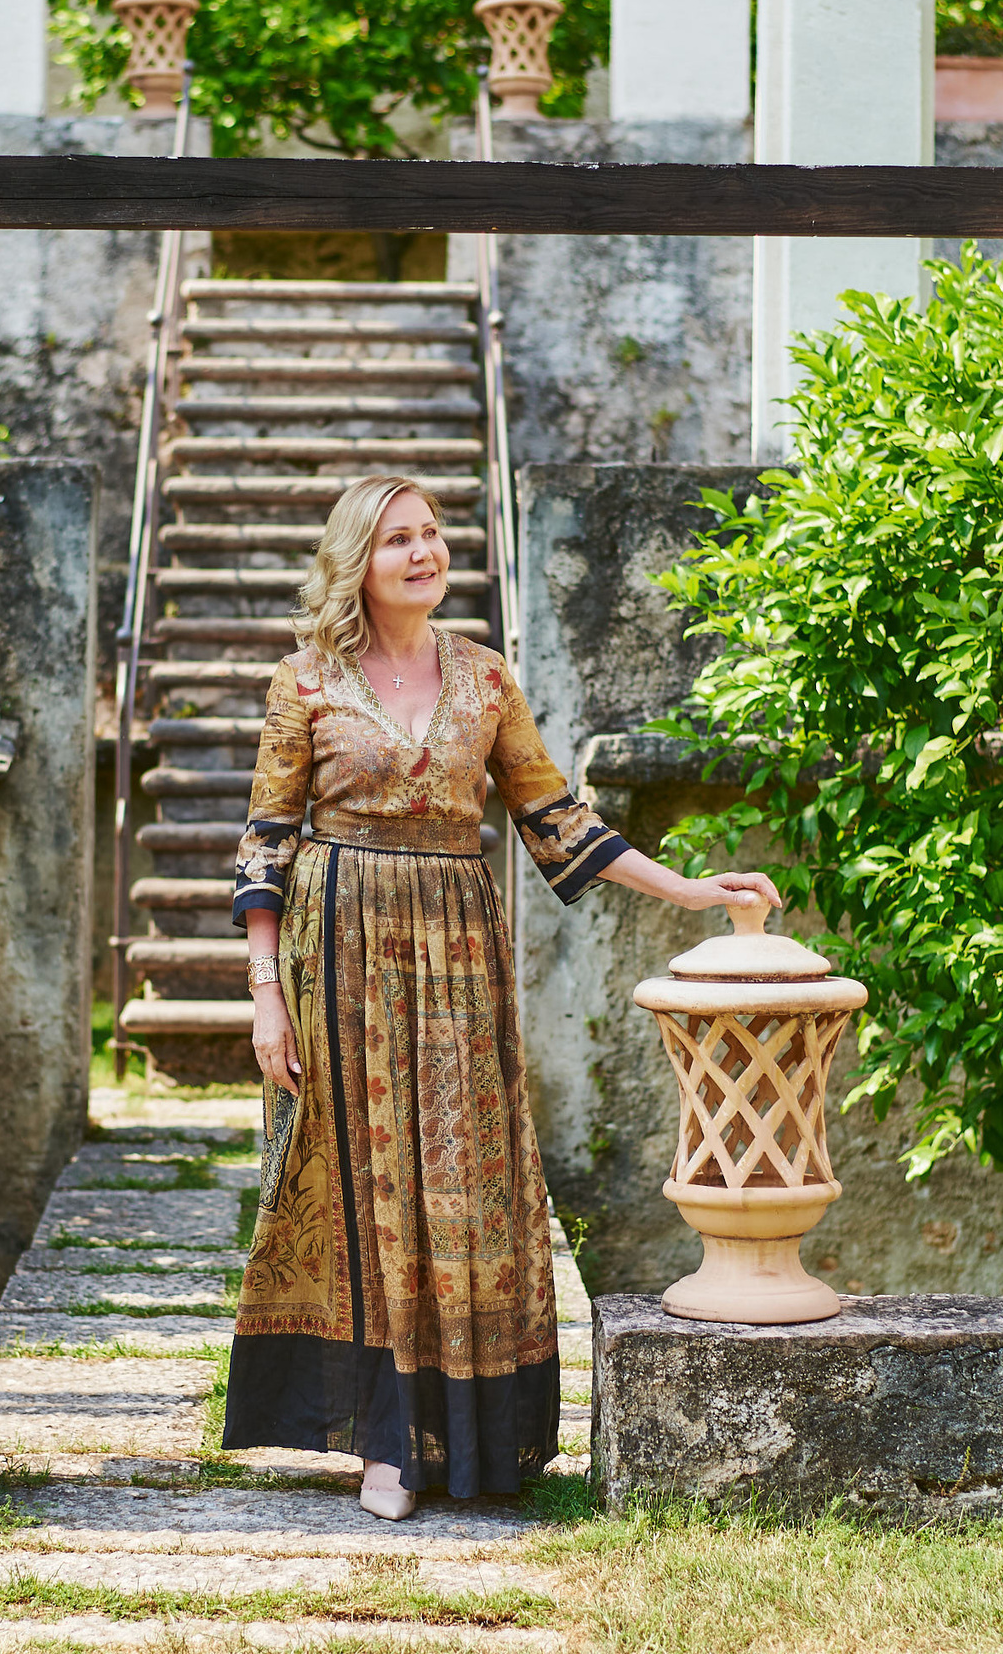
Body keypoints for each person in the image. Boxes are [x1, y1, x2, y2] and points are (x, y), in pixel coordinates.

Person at [221, 474, 781, 1521]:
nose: (424, 552)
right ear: (359, 560)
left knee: (463, 1180)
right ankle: (384, 1442)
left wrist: (693, 888)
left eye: (432, 533)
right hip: (334, 945)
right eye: (399, 539)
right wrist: (266, 996)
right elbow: (265, 842)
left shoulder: (486, 679)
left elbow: (555, 818)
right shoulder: (301, 682)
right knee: (365, 1186)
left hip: (455, 950)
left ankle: (464, 1438)